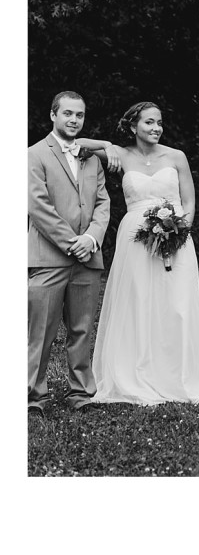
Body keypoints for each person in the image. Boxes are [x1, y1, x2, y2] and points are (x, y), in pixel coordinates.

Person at [75, 102, 199, 405]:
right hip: (135, 240)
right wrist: (106, 145)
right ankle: (137, 373)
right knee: (139, 301)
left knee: (177, 304)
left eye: (159, 123)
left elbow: (190, 201)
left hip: (177, 238)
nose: (156, 128)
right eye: (149, 123)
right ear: (133, 127)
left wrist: (179, 232)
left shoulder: (176, 156)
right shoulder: (121, 154)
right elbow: (76, 145)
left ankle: (176, 375)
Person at [28, 91, 110, 413]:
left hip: (88, 258)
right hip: (48, 257)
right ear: (53, 115)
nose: (74, 120)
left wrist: (90, 238)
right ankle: (34, 395)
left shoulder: (91, 158)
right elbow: (38, 205)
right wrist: (70, 241)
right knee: (41, 331)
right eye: (68, 114)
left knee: (81, 328)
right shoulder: (34, 155)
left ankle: (81, 392)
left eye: (79, 115)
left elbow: (103, 203)